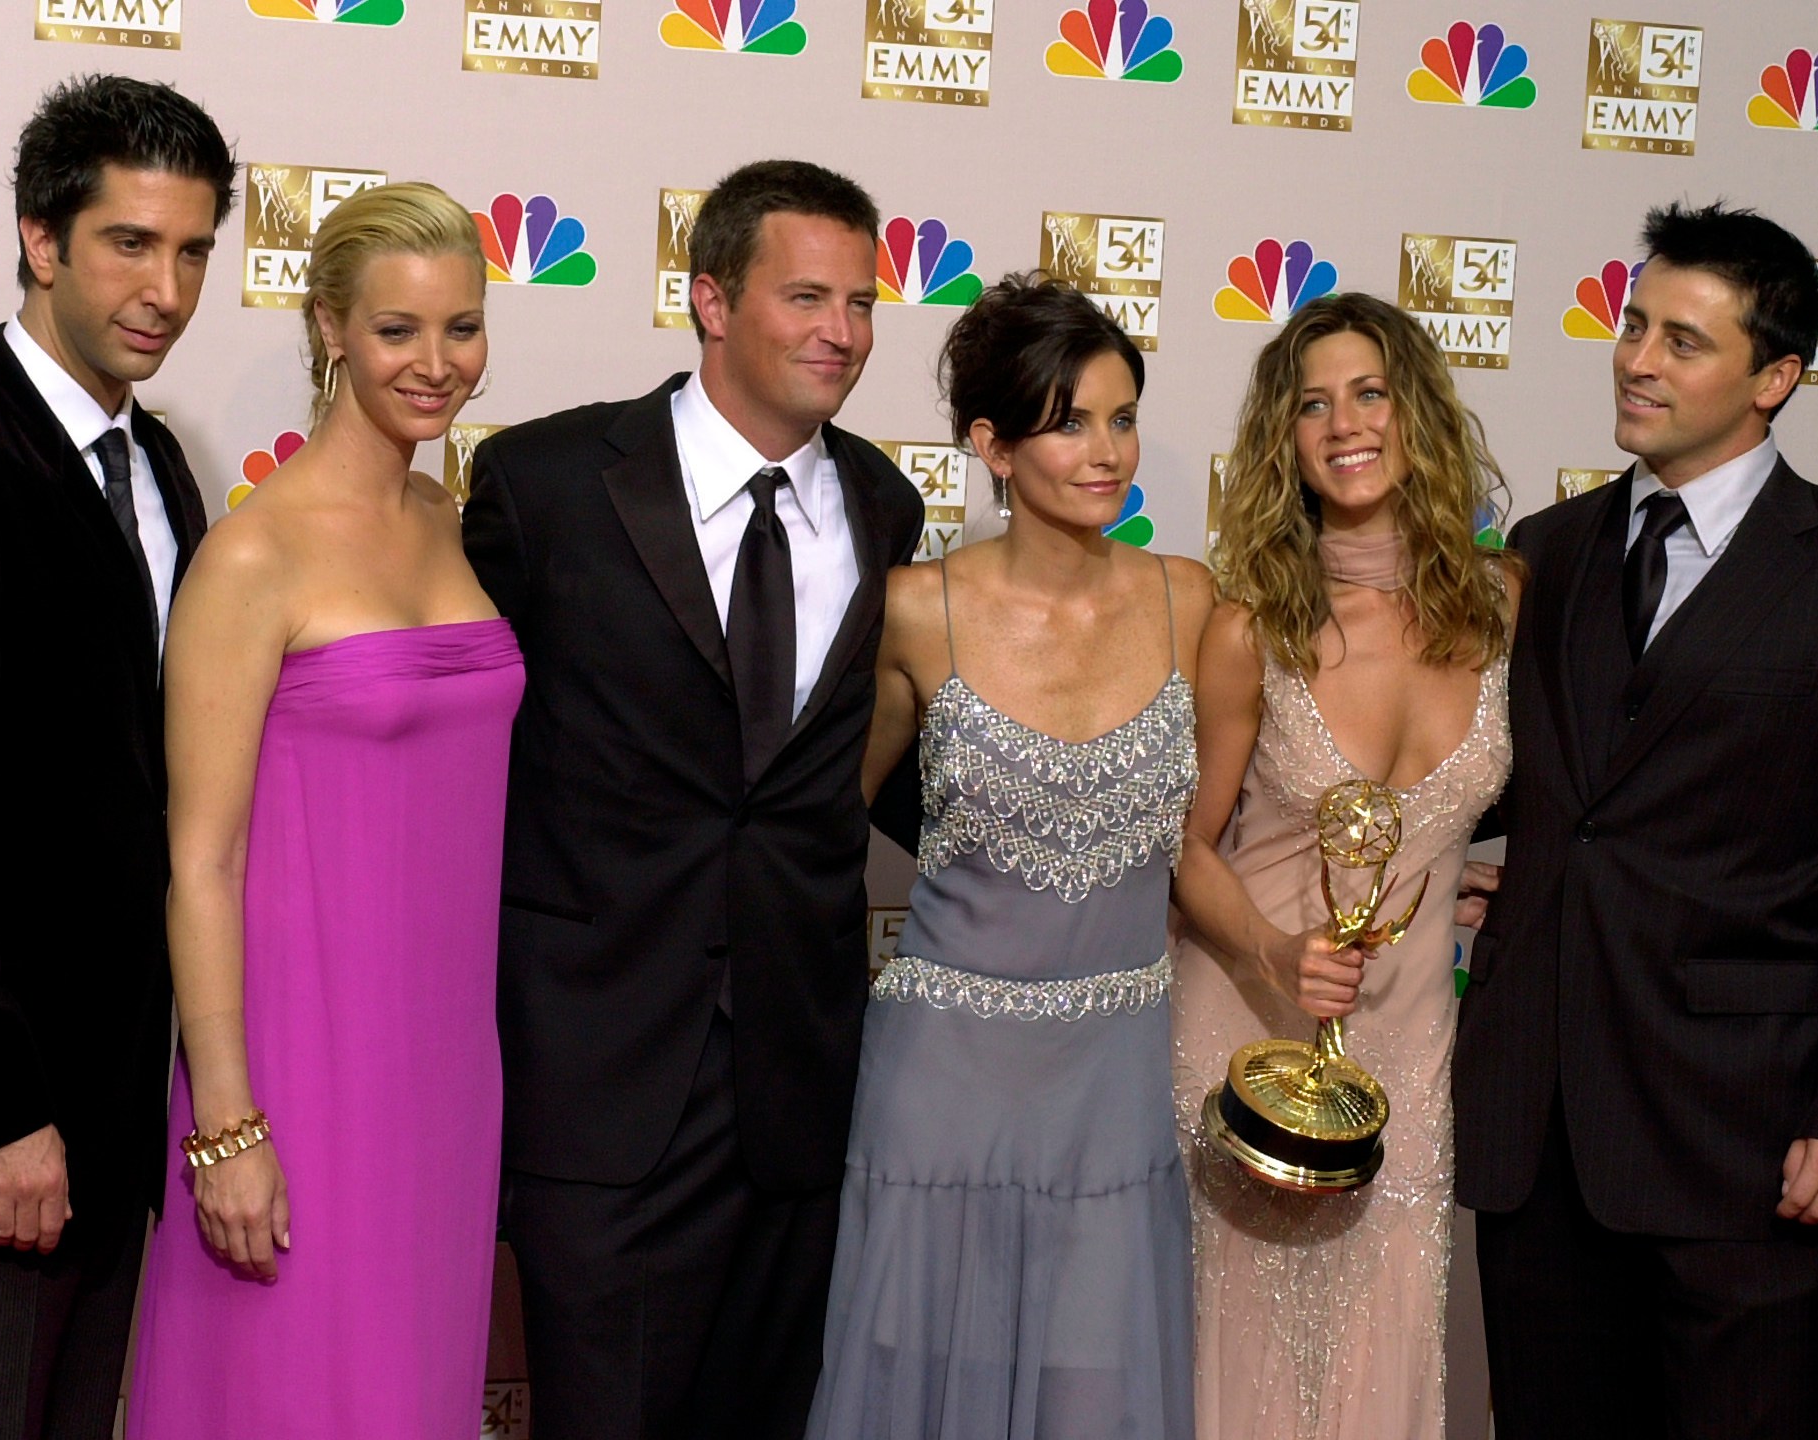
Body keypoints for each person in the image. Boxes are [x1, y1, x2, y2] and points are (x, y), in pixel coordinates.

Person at [462, 159, 925, 1439]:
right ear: (710, 301)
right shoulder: (547, 482)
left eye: (861, 302)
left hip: (797, 1085)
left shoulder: (885, 506)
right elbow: (453, 754)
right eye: (806, 297)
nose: (842, 332)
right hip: (596, 1076)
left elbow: (890, 772)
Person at [1452, 202, 1818, 1440]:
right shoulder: (1546, 550)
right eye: (1633, 324)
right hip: (1539, 1128)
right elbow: (1538, 792)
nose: (1636, 360)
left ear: (1773, 378)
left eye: (1682, 341)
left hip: (1746, 1140)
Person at [126, 182, 523, 1439]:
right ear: (329, 329)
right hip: (298, 1066)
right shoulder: (253, 555)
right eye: (398, 329)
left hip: (445, 1070)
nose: (435, 362)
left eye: (461, 327)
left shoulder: (447, 519)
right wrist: (227, 1126)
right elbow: (200, 862)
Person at [806, 273, 1214, 1440]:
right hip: (942, 1085)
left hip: (1111, 1088)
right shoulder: (913, 609)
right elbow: (821, 823)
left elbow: (1222, 831)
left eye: (1122, 418)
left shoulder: (1189, 603)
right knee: (920, 1397)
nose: (1106, 452)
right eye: (1068, 422)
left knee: (1093, 1403)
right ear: (990, 445)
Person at [0, 76, 231, 1440]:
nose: (167, 290)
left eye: (194, 251)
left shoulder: (160, 467)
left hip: (112, 1134)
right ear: (40, 239)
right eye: (130, 244)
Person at [1170, 292, 1520, 1439]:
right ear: (1285, 442)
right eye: (1311, 405)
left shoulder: (1503, 605)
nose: (1343, 424)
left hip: (1409, 1052)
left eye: (1368, 392)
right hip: (1247, 1025)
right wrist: (1274, 953)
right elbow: (1185, 843)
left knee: (1382, 1350)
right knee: (1240, 1358)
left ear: (1415, 411)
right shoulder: (1252, 628)